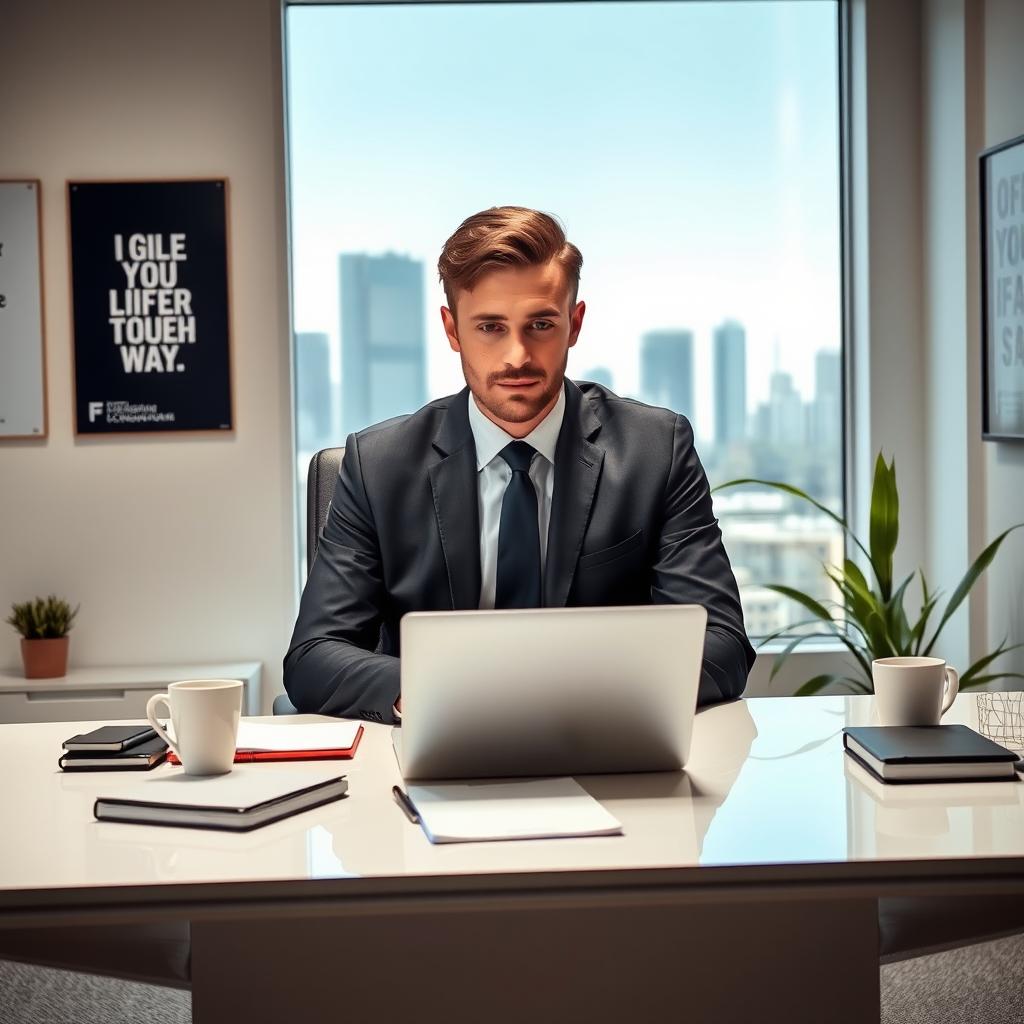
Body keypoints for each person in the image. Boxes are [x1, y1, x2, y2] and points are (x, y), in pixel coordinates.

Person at [284, 206, 755, 721]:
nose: (517, 356)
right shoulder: (378, 465)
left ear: (573, 324)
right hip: (441, 743)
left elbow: (723, 642)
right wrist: (439, 693)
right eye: (489, 326)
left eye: (540, 324)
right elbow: (314, 656)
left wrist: (573, 695)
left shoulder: (656, 449)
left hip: (604, 744)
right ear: (452, 329)